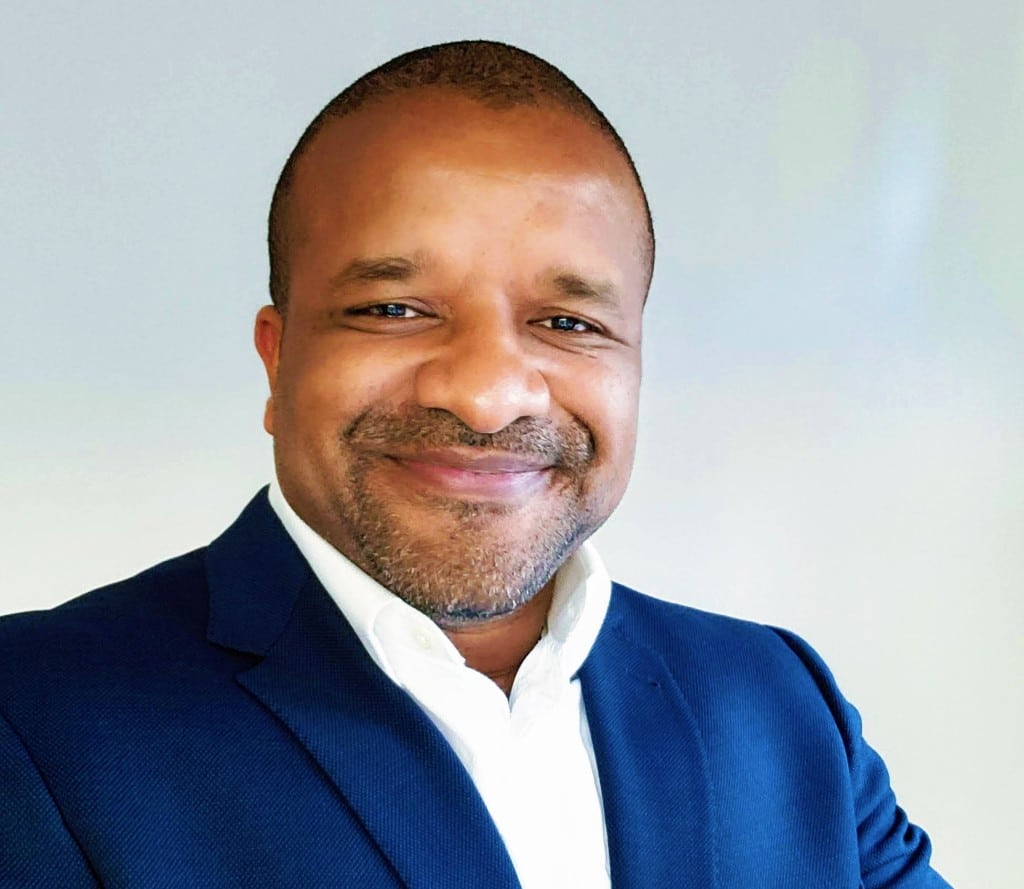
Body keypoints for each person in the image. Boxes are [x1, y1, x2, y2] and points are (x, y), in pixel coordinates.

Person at [0, 40, 950, 888]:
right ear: (277, 361)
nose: (489, 394)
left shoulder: (778, 702)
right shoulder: (37, 724)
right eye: (394, 309)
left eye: (568, 322)